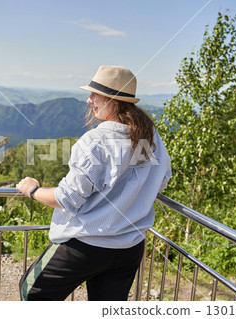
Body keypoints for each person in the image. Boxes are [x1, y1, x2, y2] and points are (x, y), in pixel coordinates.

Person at [16, 65, 171, 301]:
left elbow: (68, 199)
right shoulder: (152, 136)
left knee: (32, 291)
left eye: (95, 95)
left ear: (114, 101)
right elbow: (162, 180)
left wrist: (33, 190)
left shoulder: (96, 140)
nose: (89, 100)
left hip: (86, 245)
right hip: (130, 247)